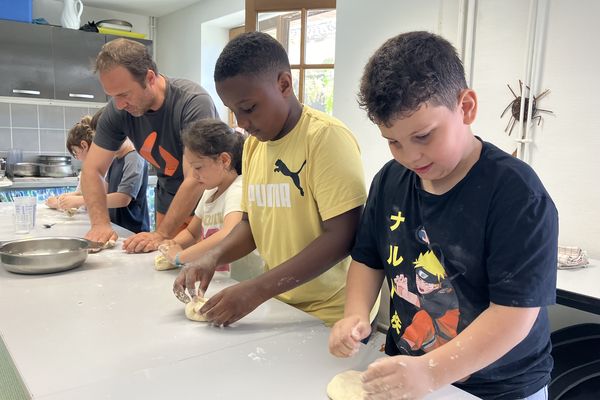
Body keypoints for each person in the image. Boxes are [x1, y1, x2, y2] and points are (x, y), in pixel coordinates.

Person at [328, 31, 558, 400]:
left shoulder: (516, 194)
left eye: (423, 136)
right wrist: (355, 314)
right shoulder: (390, 180)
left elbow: (514, 316)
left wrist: (434, 371)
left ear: (465, 107)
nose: (410, 156)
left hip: (499, 388)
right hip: (410, 372)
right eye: (393, 141)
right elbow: (367, 259)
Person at [173, 31, 375, 327]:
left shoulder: (325, 139)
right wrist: (212, 256)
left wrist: (257, 289)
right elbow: (251, 226)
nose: (241, 123)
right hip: (283, 304)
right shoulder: (255, 146)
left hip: (333, 316)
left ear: (283, 84)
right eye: (233, 112)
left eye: (249, 108)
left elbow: (343, 236)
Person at [81, 38, 219, 251]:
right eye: (112, 96)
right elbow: (92, 169)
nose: (118, 104)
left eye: (124, 94)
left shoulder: (192, 103)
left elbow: (197, 177)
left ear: (150, 78)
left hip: (208, 205)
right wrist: (100, 224)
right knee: (163, 269)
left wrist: (162, 234)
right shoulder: (118, 110)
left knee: (203, 273)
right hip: (169, 202)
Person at [157, 119, 245, 275]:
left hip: (234, 283)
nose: (194, 174)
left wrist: (180, 256)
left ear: (224, 160)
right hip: (215, 278)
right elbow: (192, 233)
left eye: (198, 167)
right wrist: (172, 245)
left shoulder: (238, 188)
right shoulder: (209, 192)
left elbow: (229, 233)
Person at [47, 111, 150, 234]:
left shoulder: (134, 158)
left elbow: (123, 199)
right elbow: (103, 190)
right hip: (117, 228)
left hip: (133, 231)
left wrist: (80, 201)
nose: (103, 144)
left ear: (121, 131)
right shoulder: (115, 158)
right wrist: (71, 198)